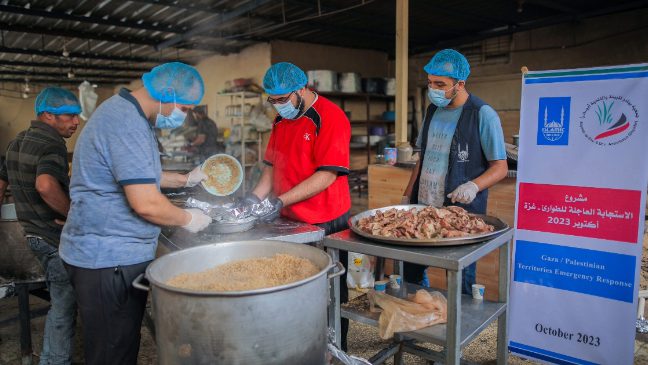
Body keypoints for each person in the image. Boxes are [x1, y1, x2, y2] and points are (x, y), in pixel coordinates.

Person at [58, 62, 212, 365]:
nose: (183, 116)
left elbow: (137, 173)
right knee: (112, 352)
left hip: (112, 254)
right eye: (183, 107)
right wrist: (189, 219)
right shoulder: (125, 122)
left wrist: (185, 179)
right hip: (107, 259)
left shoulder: (126, 113)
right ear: (166, 94)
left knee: (121, 343)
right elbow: (145, 203)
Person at [236, 62, 352, 350]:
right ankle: (299, 347)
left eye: (282, 99)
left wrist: (279, 200)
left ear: (302, 89)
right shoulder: (280, 120)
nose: (277, 106)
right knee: (294, 283)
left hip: (326, 218)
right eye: (272, 100)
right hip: (290, 217)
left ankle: (335, 349)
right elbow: (271, 167)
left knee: (330, 288)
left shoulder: (330, 117)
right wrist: (254, 198)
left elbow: (327, 174)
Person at [402, 49, 508, 294]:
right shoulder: (432, 111)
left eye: (441, 84)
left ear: (460, 84)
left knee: (460, 276)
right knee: (412, 271)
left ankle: (461, 326)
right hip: (423, 207)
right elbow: (423, 156)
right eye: (430, 83)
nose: (434, 89)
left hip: (459, 213)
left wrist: (473, 186)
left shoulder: (482, 115)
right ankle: (419, 319)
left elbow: (500, 167)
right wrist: (408, 195)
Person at [0, 87, 81, 365]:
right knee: (63, 306)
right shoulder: (51, 144)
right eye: (69, 116)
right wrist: (74, 214)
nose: (76, 121)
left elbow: (0, 182)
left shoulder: (16, 142)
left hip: (31, 236)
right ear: (48, 115)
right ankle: (54, 361)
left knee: (60, 302)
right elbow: (45, 186)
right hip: (52, 238)